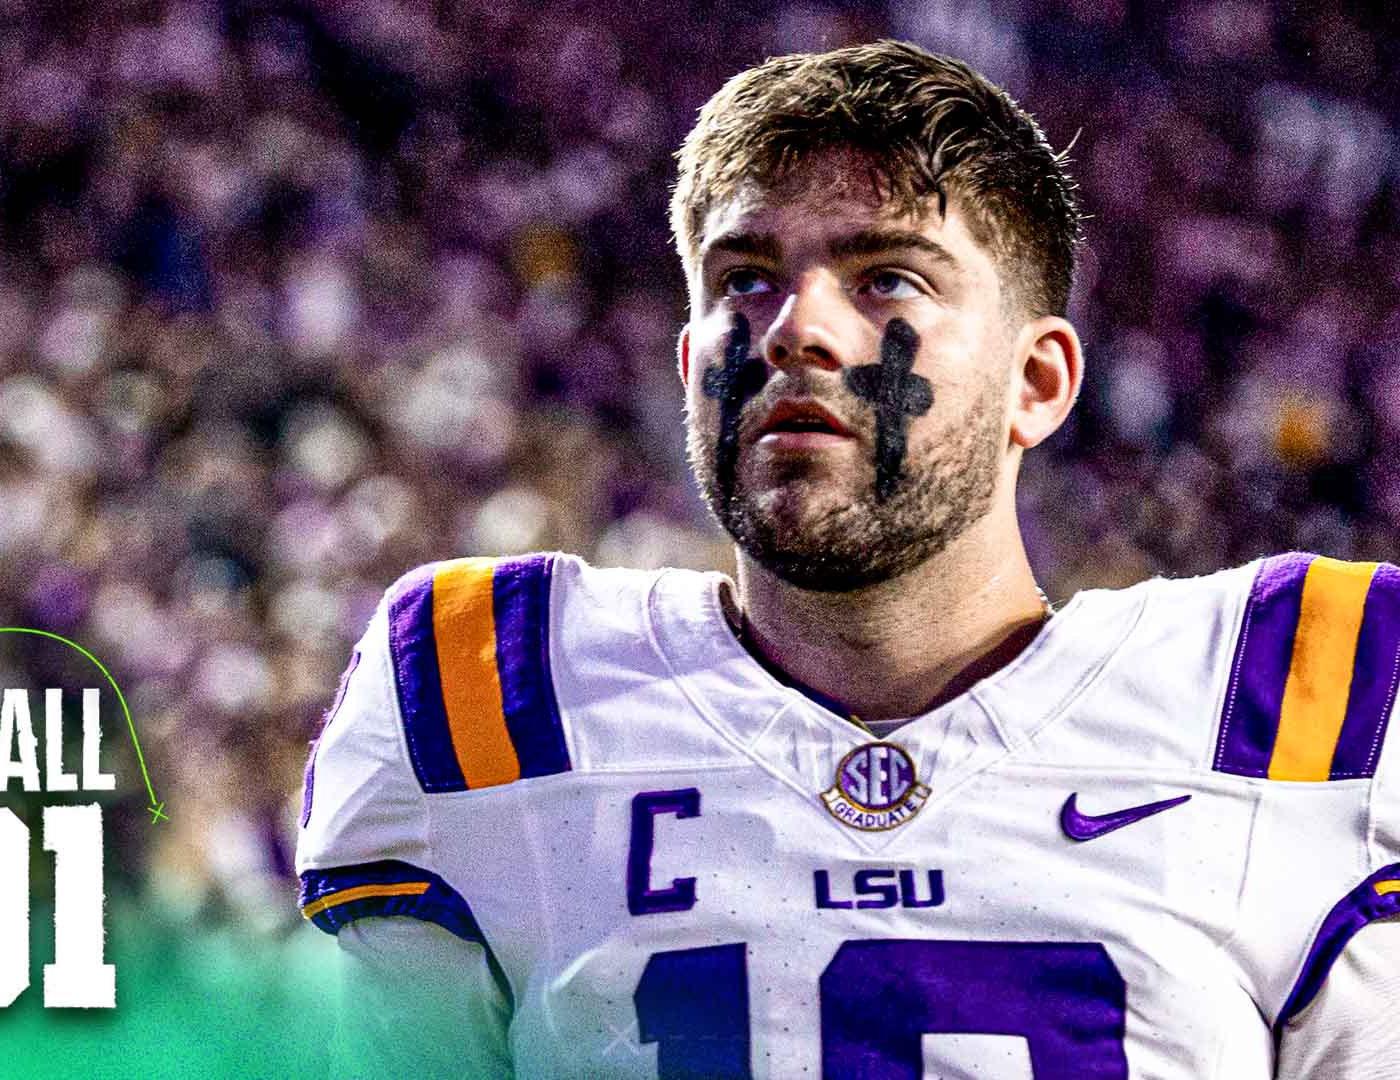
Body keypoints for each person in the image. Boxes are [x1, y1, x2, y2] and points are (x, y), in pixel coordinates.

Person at [294, 38, 1399, 1079]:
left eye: (887, 279)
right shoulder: (488, 695)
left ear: (1041, 383)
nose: (795, 328)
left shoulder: (1292, 710)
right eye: (746, 278)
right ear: (689, 366)